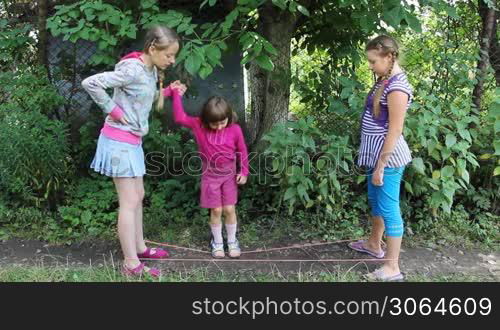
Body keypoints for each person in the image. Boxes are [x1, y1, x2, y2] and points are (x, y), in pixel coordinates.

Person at [82, 25, 185, 277]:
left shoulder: (149, 70)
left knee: (138, 195)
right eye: (169, 55)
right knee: (129, 202)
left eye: (174, 56)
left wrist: (169, 91)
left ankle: (140, 248)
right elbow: (90, 83)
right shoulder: (132, 69)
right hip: (118, 142)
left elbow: (142, 96)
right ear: (152, 48)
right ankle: (130, 263)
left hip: (132, 141)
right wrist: (113, 110)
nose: (172, 60)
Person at [348, 35, 413, 281]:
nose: (370, 65)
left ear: (388, 56)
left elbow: (395, 130)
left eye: (373, 61)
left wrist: (381, 166)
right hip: (374, 154)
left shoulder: (397, 87)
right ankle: (374, 244)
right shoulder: (385, 79)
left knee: (389, 208)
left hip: (388, 158)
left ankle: (392, 267)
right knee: (376, 201)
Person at [169, 88, 249, 259]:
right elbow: (179, 117)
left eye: (223, 122)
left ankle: (233, 241)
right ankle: (218, 243)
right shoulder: (199, 125)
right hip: (210, 176)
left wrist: (244, 170)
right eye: (215, 124)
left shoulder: (234, 129)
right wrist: (176, 94)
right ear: (206, 120)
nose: (219, 127)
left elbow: (242, 150)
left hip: (229, 175)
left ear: (228, 117)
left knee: (229, 208)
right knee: (216, 210)